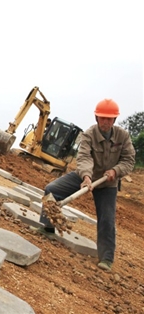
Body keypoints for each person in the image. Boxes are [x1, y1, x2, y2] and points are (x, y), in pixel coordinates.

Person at [36, 99, 135, 271]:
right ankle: (48, 227)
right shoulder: (89, 134)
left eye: (109, 119)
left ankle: (106, 258)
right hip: (85, 176)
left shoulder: (122, 136)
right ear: (97, 117)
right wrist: (87, 176)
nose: (105, 122)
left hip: (108, 183)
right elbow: (83, 158)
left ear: (114, 120)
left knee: (107, 219)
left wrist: (115, 171)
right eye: (102, 118)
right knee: (52, 190)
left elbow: (128, 160)